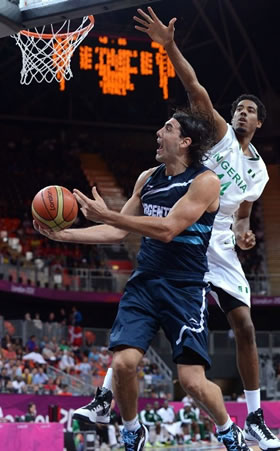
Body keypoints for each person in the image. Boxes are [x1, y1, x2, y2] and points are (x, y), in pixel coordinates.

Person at [34, 105, 250, 451]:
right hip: (145, 284)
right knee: (123, 363)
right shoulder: (148, 178)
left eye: (167, 128)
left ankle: (226, 428)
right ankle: (132, 429)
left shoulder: (206, 181)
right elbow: (115, 233)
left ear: (185, 142)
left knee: (192, 382)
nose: (158, 134)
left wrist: (110, 215)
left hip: (185, 289)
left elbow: (168, 229)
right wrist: (64, 236)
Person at [131, 6, 280, 451]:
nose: (242, 112)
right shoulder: (217, 134)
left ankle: (254, 416)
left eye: (250, 110)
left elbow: (242, 214)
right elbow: (195, 87)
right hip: (189, 231)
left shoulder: (259, 173)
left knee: (246, 326)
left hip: (220, 244)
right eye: (238, 107)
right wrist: (171, 46)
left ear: (259, 123)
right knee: (151, 295)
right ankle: (109, 391)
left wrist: (243, 231)